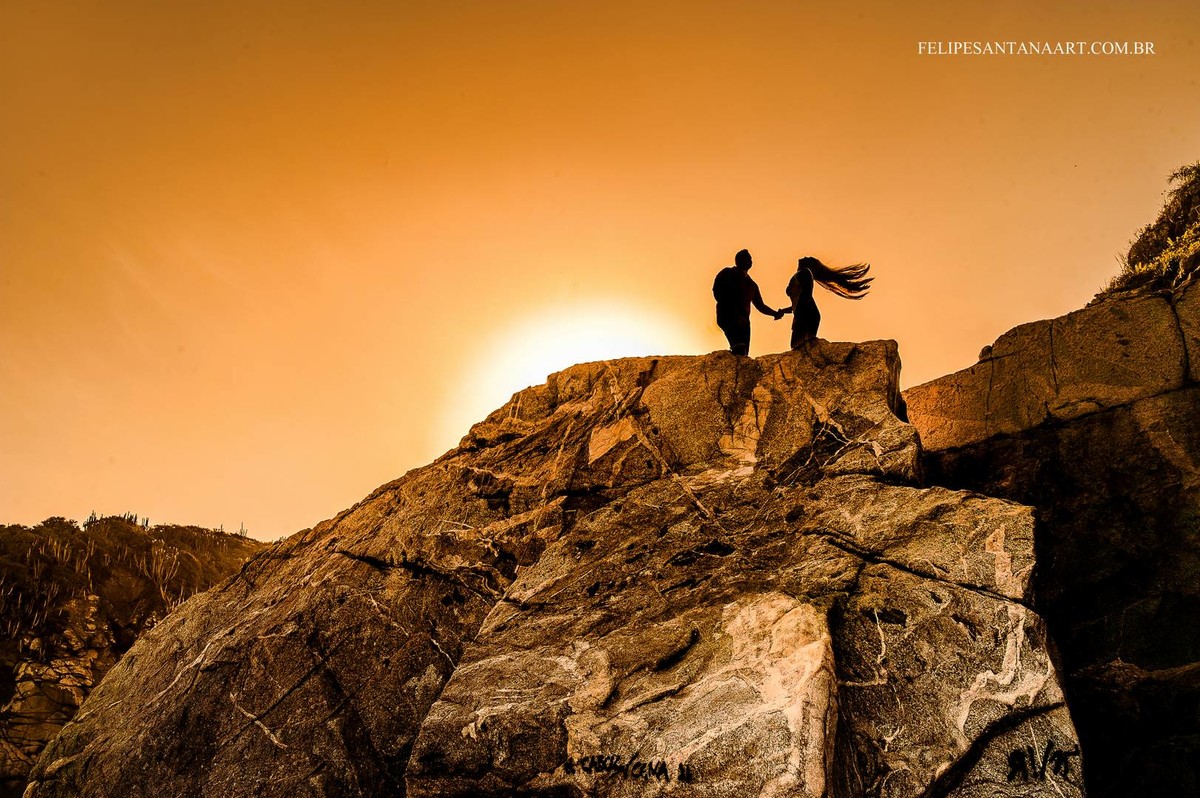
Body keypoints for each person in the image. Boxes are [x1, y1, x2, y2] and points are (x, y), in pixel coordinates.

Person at [712, 249, 788, 356]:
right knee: (739, 348)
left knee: (744, 354)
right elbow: (716, 291)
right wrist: (731, 312)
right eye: (746, 258)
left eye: (750, 259)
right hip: (728, 317)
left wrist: (775, 313)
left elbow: (760, 305)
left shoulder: (751, 284)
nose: (749, 261)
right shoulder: (727, 273)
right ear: (738, 260)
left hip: (744, 323)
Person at [785, 256, 872, 348]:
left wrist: (798, 316)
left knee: (800, 347)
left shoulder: (805, 273)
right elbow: (799, 301)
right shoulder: (800, 274)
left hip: (806, 316)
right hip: (804, 314)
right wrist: (784, 311)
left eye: (808, 258)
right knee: (799, 347)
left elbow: (806, 296)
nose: (804, 257)